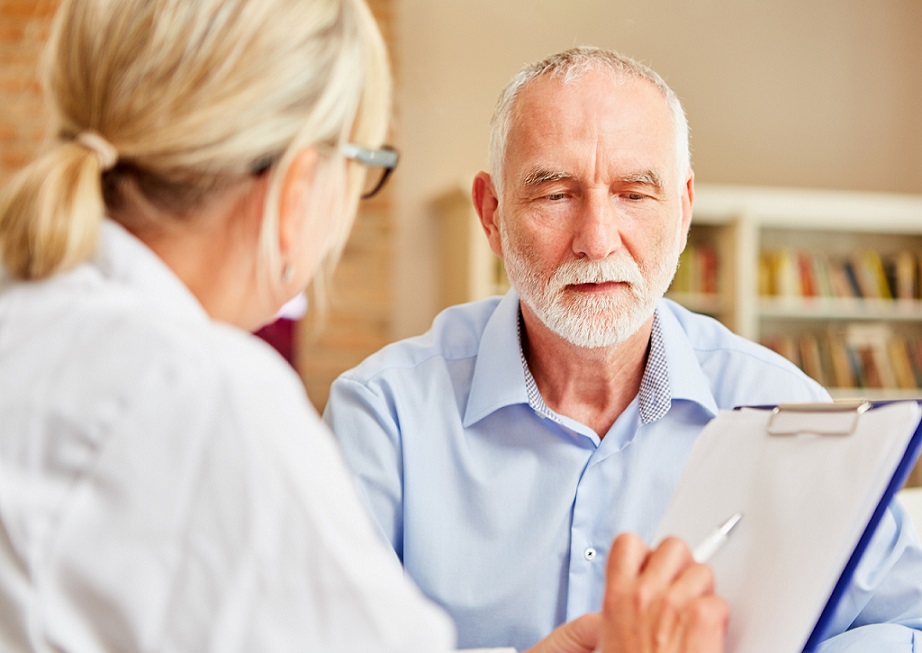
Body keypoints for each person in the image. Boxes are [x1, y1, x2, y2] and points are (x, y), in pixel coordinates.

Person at [0, 4, 729, 653]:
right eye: (361, 164)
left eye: (634, 192)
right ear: (296, 188)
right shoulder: (212, 396)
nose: (597, 237)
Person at [325, 46, 922, 651]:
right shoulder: (385, 416)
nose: (597, 239)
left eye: (635, 194)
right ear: (491, 214)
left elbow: (910, 624)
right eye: (555, 194)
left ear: (684, 210)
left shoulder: (785, 410)